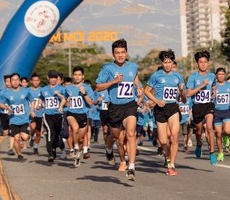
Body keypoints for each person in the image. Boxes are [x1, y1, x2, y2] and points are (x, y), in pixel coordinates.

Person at [96, 38, 143, 181]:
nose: (120, 55)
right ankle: (109, 148)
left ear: (127, 52)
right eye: (117, 53)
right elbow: (98, 86)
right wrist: (113, 82)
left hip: (129, 105)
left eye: (123, 52)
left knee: (130, 133)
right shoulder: (108, 69)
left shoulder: (133, 66)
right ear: (113, 54)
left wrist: (139, 88)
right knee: (115, 136)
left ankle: (132, 167)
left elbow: (134, 78)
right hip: (115, 107)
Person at [144, 49, 186, 176]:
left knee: (174, 136)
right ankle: (167, 158)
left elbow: (183, 99)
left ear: (173, 63)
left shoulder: (178, 76)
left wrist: (182, 91)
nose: (167, 64)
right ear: (162, 63)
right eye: (165, 62)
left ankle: (172, 165)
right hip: (160, 109)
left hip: (173, 107)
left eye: (169, 62)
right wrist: (157, 101)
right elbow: (146, 91)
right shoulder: (156, 76)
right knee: (163, 141)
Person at [186, 50, 217, 165]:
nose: (203, 64)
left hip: (208, 105)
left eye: (205, 62)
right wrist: (202, 85)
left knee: (209, 127)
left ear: (208, 63)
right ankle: (199, 144)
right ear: (197, 63)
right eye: (200, 62)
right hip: (197, 106)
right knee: (198, 131)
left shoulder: (212, 76)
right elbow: (188, 93)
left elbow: (214, 86)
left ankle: (212, 153)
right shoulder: (193, 77)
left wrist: (214, 92)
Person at [0, 73, 35, 161]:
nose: (15, 82)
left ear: (19, 81)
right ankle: (19, 154)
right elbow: (0, 104)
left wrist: (32, 110)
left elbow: (32, 100)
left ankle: (30, 138)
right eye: (13, 80)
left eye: (16, 80)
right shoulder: (6, 93)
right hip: (13, 119)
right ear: (10, 82)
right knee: (16, 138)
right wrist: (6, 107)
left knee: (25, 137)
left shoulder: (25, 91)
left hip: (24, 119)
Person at [64, 66, 95, 167]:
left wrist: (84, 94)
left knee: (81, 139)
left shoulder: (87, 88)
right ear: (73, 76)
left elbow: (91, 103)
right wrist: (65, 103)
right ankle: (75, 147)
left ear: (83, 76)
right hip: (71, 113)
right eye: (75, 75)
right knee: (74, 128)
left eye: (79, 75)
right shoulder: (68, 88)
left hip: (83, 115)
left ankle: (78, 155)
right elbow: (65, 101)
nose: (77, 77)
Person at [40, 70, 66, 162]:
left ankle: (54, 148)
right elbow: (40, 99)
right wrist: (39, 104)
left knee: (57, 133)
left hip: (58, 115)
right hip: (48, 115)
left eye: (55, 78)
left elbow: (65, 99)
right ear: (48, 78)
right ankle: (50, 152)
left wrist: (61, 105)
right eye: (51, 77)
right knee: (50, 131)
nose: (53, 79)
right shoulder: (43, 90)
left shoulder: (61, 89)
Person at [212, 67, 230, 162]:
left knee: (228, 131)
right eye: (219, 74)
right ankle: (220, 152)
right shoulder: (213, 85)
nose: (221, 76)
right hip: (217, 112)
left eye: (222, 74)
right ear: (216, 75)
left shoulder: (229, 85)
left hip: (226, 111)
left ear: (224, 75)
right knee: (218, 134)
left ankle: (225, 137)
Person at [0, 75, 13, 153]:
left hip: (13, 114)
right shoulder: (1, 92)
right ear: (5, 82)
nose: (8, 83)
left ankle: (11, 147)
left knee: (13, 130)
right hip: (3, 113)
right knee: (6, 132)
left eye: (10, 81)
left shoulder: (15, 91)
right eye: (7, 81)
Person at [28, 73, 44, 155]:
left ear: (39, 81)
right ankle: (31, 137)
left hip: (40, 113)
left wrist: (41, 105)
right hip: (31, 113)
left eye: (37, 80)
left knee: (38, 133)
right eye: (34, 80)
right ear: (31, 81)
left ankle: (36, 147)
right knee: (33, 127)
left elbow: (45, 100)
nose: (35, 82)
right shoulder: (28, 90)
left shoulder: (42, 90)